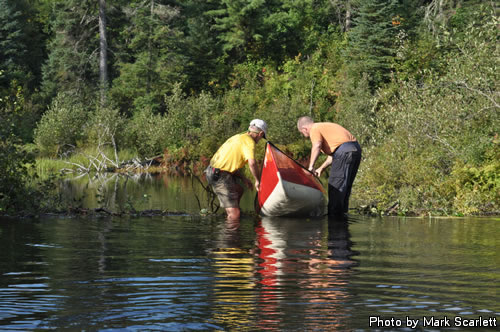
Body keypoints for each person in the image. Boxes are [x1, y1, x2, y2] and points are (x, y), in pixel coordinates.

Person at [297, 116, 361, 217]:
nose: (305, 136)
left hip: (344, 151)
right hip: (355, 150)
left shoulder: (314, 128)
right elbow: (335, 154)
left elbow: (317, 145)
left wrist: (311, 166)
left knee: (336, 186)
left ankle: (335, 220)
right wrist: (321, 168)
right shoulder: (325, 127)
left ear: (304, 128)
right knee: (345, 186)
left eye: (303, 133)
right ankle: (342, 216)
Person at [205, 119, 268, 220]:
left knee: (239, 190)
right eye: (262, 137)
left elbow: (228, 164)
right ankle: (232, 221)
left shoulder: (238, 137)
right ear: (260, 133)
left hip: (212, 171)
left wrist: (244, 178)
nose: (260, 139)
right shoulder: (249, 142)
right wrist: (257, 181)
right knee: (235, 215)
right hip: (219, 175)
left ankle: (230, 214)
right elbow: (252, 163)